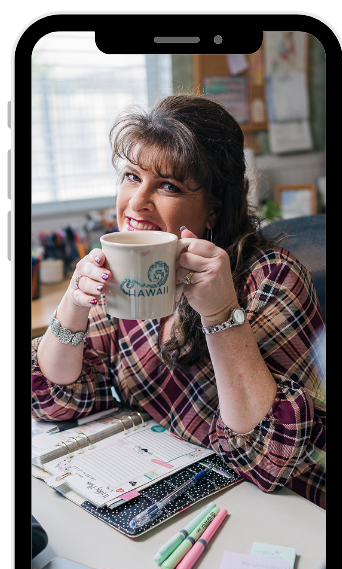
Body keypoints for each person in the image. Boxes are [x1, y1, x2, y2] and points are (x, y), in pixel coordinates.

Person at [31, 93, 326, 509]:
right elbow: (57, 399)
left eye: (167, 185)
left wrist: (222, 313)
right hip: (179, 484)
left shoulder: (272, 276)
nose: (136, 203)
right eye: (132, 176)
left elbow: (267, 460)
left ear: (213, 208)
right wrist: (74, 304)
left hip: (291, 508)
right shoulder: (125, 270)